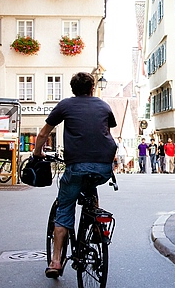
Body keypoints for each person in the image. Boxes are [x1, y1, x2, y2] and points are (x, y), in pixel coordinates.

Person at [32, 72, 117, 277]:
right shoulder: (104, 106)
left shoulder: (65, 105)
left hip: (76, 166)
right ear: (92, 88)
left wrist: (37, 153)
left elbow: (44, 133)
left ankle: (55, 262)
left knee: (65, 209)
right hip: (103, 167)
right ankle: (96, 226)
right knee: (91, 186)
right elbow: (107, 132)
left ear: (72, 89)